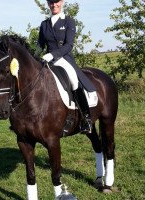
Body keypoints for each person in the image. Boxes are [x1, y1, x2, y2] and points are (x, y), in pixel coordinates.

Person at [37, 0, 95, 134]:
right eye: (51, 2)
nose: (54, 5)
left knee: (74, 81)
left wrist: (52, 55)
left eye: (56, 2)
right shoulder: (44, 24)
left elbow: (69, 45)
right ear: (48, 4)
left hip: (64, 59)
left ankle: (86, 119)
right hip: (48, 60)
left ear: (62, 2)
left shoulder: (69, 21)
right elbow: (40, 44)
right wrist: (33, 56)